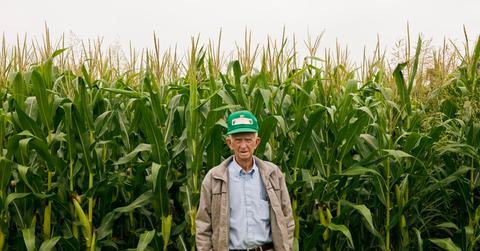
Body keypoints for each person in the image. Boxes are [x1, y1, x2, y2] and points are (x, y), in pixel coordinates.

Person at [196, 110, 294, 251]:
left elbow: (287, 219)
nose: (243, 146)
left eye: (248, 140)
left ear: (257, 142)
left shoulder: (273, 174)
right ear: (229, 143)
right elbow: (203, 226)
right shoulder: (214, 179)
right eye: (238, 140)